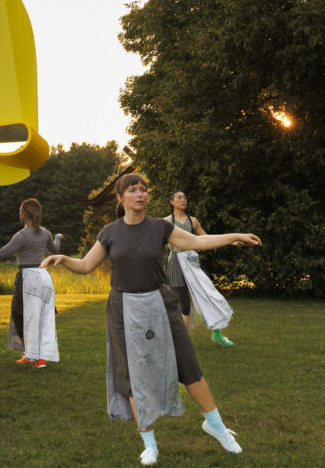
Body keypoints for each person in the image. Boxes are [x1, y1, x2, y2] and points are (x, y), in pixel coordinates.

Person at [42, 174, 261, 466]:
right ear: (120, 198)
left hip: (160, 304)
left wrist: (235, 235)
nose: (140, 194)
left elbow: (197, 241)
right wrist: (64, 260)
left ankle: (216, 426)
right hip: (122, 310)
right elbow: (85, 265)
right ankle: (149, 445)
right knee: (132, 374)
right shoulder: (110, 232)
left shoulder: (160, 227)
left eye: (143, 190)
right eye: (132, 191)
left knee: (188, 365)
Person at [0, 198, 63, 368]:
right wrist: (58, 236)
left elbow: (2, 254)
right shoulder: (45, 233)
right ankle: (32, 354)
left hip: (27, 276)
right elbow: (56, 249)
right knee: (37, 316)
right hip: (43, 276)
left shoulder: (22, 235)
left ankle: (37, 357)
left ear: (23, 213)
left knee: (18, 315)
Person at [164, 190, 235, 346]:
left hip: (192, 262)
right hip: (176, 263)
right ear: (172, 202)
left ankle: (217, 333)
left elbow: (206, 239)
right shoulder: (166, 222)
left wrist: (230, 240)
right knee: (183, 303)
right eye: (179, 198)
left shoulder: (193, 221)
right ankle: (183, 341)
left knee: (209, 294)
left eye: (185, 197)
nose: (183, 200)